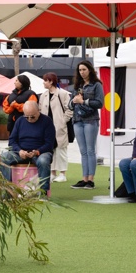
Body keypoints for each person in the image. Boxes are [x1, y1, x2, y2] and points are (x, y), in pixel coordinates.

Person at [0, 101, 56, 194]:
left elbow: (50, 144)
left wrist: (37, 152)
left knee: (43, 161)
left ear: (38, 111)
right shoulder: (20, 121)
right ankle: (8, 190)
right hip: (20, 152)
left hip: (40, 153)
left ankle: (43, 192)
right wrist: (19, 151)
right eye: (26, 116)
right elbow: (12, 141)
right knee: (2, 158)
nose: (29, 119)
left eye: (32, 116)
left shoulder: (47, 121)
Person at [69, 60, 104, 190]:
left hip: (90, 120)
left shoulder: (96, 85)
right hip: (77, 119)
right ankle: (84, 179)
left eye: (84, 69)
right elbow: (70, 104)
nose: (82, 72)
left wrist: (84, 101)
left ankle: (91, 179)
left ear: (90, 70)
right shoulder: (77, 85)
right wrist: (74, 101)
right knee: (83, 151)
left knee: (90, 150)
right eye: (80, 70)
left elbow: (100, 103)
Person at [38, 72, 72, 183]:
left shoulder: (63, 94)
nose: (43, 82)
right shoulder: (44, 95)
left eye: (45, 80)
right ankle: (52, 172)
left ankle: (63, 173)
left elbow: (69, 109)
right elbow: (39, 109)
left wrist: (63, 120)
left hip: (59, 125)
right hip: (47, 127)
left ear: (51, 81)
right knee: (49, 149)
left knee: (61, 149)